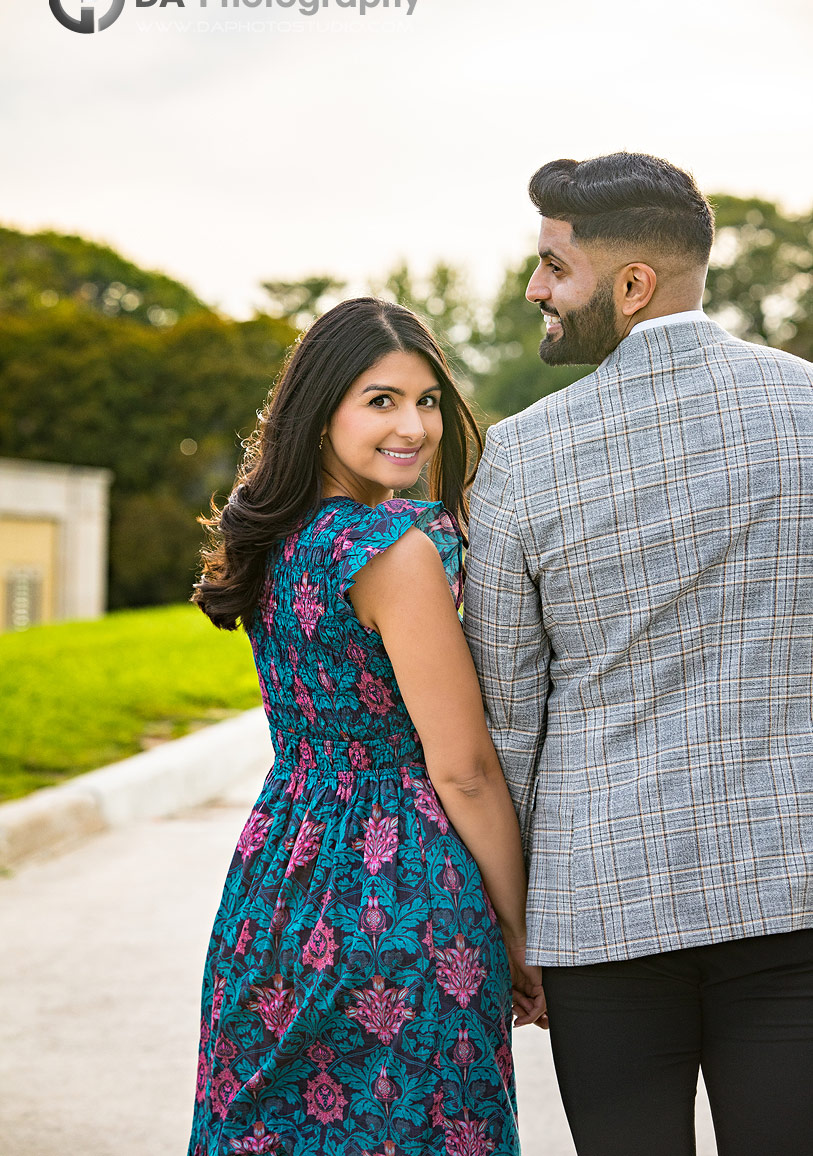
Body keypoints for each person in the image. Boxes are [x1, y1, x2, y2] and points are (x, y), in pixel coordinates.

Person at [463, 153, 813, 1156]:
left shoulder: (522, 455)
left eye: (553, 268)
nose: (535, 288)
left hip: (600, 907)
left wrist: (515, 921)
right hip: (794, 890)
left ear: (630, 284)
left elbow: (508, 718)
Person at [187, 297, 546, 1156]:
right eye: (380, 400)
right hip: (401, 890)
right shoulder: (394, 548)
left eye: (426, 401)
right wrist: (522, 931)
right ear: (319, 412)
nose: (414, 427)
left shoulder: (276, 538)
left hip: (279, 879)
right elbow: (461, 768)